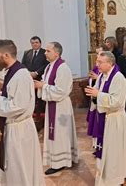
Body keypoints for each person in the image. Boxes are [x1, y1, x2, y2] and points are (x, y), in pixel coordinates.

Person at [0, 39, 44, 185]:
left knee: (20, 169)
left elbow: (18, 106)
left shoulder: (20, 75)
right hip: (14, 128)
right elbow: (13, 96)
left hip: (19, 131)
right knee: (14, 169)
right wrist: (0, 95)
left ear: (5, 55)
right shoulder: (12, 72)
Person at [85, 51, 126, 185]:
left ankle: (115, 179)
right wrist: (93, 94)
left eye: (100, 62)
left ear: (110, 63)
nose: (97, 64)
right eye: (97, 61)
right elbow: (96, 92)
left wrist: (97, 95)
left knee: (114, 151)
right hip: (104, 118)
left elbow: (117, 102)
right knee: (106, 149)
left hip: (114, 119)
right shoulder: (101, 76)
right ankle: (107, 175)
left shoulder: (119, 78)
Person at [34, 42, 79, 175]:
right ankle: (60, 159)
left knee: (61, 133)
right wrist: (40, 85)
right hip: (52, 105)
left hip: (61, 106)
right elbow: (46, 83)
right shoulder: (49, 67)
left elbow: (61, 91)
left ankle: (60, 162)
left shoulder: (62, 68)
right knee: (57, 133)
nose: (45, 53)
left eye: (48, 51)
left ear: (56, 53)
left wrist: (43, 86)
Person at [21, 36, 49, 129]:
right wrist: (28, 73)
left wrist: (36, 73)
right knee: (30, 97)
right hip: (29, 79)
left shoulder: (44, 52)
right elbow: (23, 64)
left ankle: (39, 118)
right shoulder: (27, 53)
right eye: (32, 43)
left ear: (40, 43)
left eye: (36, 42)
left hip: (40, 78)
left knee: (39, 98)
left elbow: (46, 65)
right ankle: (30, 115)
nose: (34, 44)